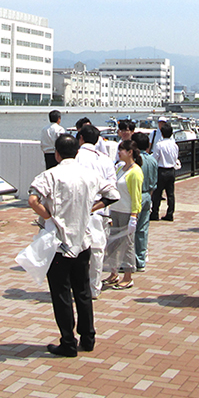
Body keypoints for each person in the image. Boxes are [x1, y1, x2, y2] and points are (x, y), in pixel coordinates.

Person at [28, 134, 119, 357]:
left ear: (57, 154)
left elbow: (33, 200)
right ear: (76, 152)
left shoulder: (50, 175)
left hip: (59, 244)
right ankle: (88, 337)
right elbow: (113, 194)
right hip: (83, 241)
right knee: (83, 291)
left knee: (61, 294)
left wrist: (49, 216)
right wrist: (91, 207)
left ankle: (68, 341)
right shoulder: (90, 175)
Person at [75, 124, 117, 299]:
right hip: (100, 209)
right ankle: (94, 287)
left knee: (76, 249)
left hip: (78, 210)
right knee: (98, 249)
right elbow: (112, 188)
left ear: (81, 138)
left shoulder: (76, 157)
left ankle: (78, 286)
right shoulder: (106, 159)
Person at [103, 140, 143, 290]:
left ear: (130, 152)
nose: (119, 153)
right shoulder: (120, 168)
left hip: (127, 211)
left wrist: (134, 215)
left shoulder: (135, 171)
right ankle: (113, 273)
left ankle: (128, 276)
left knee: (127, 244)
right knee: (112, 243)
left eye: (122, 150)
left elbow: (136, 196)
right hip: (115, 210)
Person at [131, 132, 157, 272]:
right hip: (147, 195)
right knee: (142, 229)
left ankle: (129, 261)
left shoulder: (133, 161)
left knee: (129, 230)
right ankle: (140, 260)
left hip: (135, 197)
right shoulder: (152, 160)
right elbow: (154, 183)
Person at [150, 122, 178, 222]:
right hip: (171, 170)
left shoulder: (159, 145)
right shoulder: (174, 145)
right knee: (170, 194)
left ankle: (155, 213)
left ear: (161, 133)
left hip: (161, 170)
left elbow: (155, 158)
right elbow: (175, 157)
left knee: (157, 193)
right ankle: (170, 213)